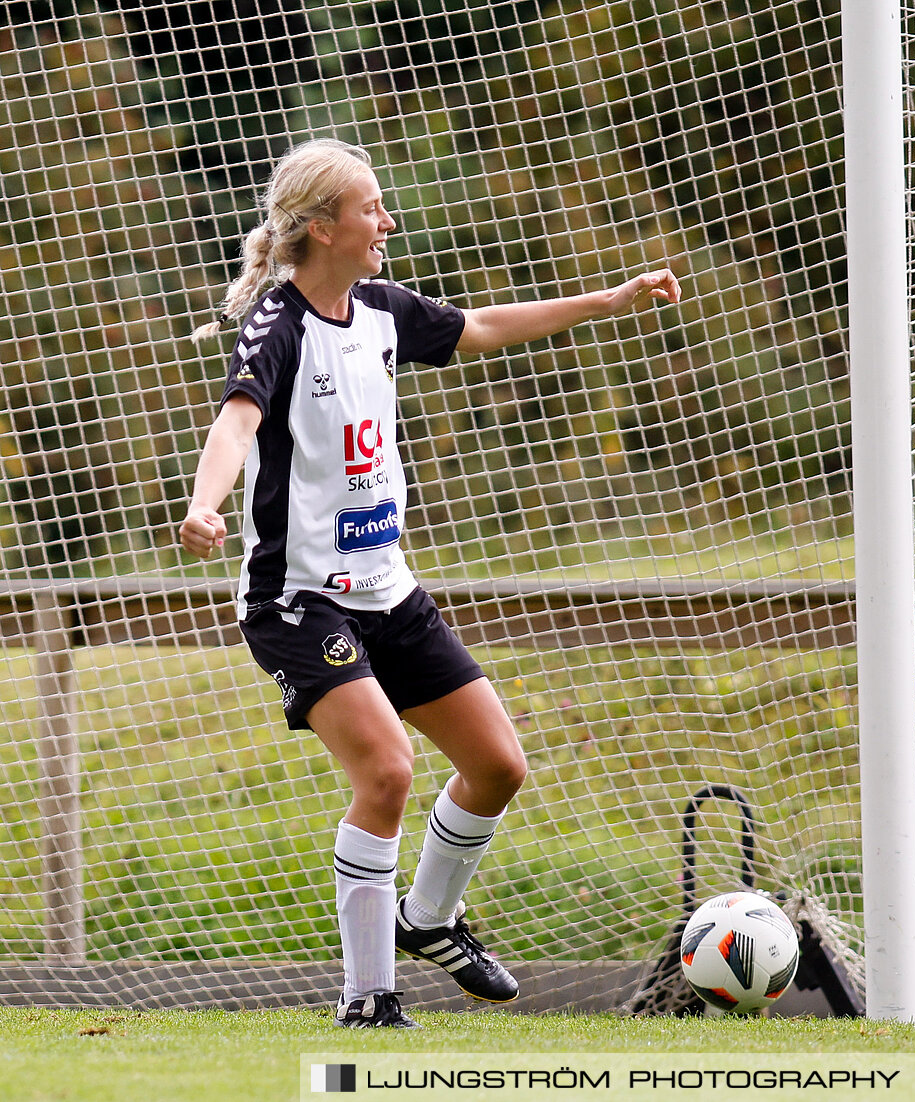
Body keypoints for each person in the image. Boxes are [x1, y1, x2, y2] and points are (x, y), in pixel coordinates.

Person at [179, 138, 681, 1028]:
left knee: (496, 766)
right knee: (387, 769)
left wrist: (607, 300)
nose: (387, 222)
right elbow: (235, 422)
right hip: (299, 599)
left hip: (388, 589)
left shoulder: (378, 308)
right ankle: (368, 1000)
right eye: (372, 208)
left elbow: (480, 326)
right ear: (322, 225)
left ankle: (429, 918)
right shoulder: (276, 324)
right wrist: (204, 504)